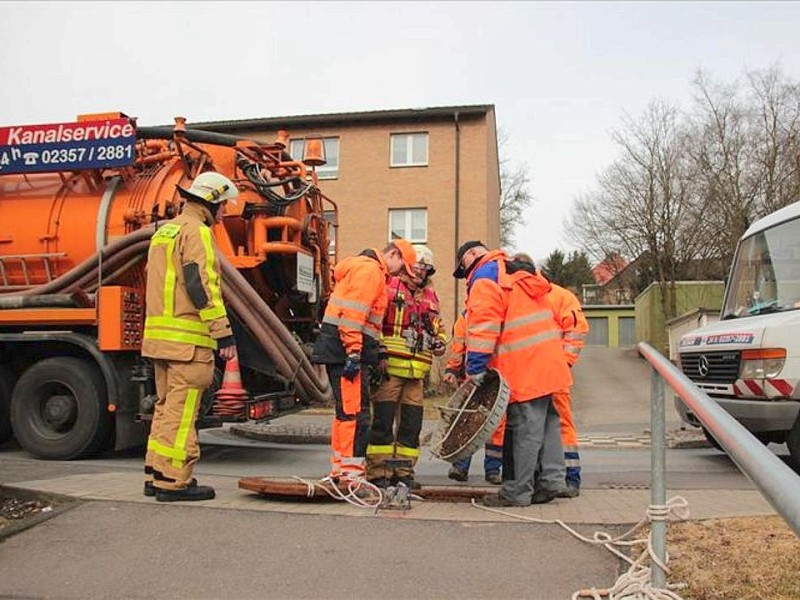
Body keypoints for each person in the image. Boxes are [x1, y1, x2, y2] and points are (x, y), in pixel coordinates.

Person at [142, 171, 239, 502]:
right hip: (188, 342)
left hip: (160, 339)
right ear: (211, 202)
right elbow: (201, 285)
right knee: (183, 415)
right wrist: (223, 334)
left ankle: (156, 474)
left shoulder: (165, 232)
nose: (225, 213)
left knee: (166, 408)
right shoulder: (197, 232)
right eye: (224, 206)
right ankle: (175, 482)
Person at [453, 241, 572, 507]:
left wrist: (475, 370)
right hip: (549, 360)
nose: (466, 278)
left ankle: (516, 492)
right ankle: (551, 482)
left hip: (522, 365)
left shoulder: (485, 277)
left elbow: (484, 327)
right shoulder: (519, 271)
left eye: (463, 269)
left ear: (471, 256)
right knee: (548, 423)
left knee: (523, 430)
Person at [312, 239, 417, 482]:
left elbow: (361, 318)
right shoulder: (371, 271)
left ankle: (341, 471)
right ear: (393, 254)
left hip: (341, 349)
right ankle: (351, 476)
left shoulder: (361, 268)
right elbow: (353, 315)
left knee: (345, 414)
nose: (399, 274)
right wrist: (354, 352)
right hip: (346, 351)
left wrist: (373, 349)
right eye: (401, 268)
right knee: (355, 416)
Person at [365, 245, 446, 489]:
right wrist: (377, 354)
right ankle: (378, 474)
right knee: (382, 423)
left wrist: (440, 341)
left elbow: (438, 326)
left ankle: (403, 474)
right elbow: (374, 322)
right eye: (418, 266)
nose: (421, 272)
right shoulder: (389, 287)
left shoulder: (430, 296)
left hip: (417, 373)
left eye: (426, 268)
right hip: (389, 369)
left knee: (411, 426)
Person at [514, 252, 589, 497]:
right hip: (541, 374)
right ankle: (549, 480)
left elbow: (576, 331)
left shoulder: (556, 296)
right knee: (547, 427)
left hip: (548, 374)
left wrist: (564, 363)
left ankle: (568, 478)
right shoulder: (553, 295)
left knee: (554, 426)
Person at [443, 313, 504, 485]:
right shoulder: (466, 317)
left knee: (496, 425)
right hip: (473, 377)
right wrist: (452, 369)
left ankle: (492, 469)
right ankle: (461, 466)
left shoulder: (496, 313)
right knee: (466, 422)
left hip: (495, 376)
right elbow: (458, 347)